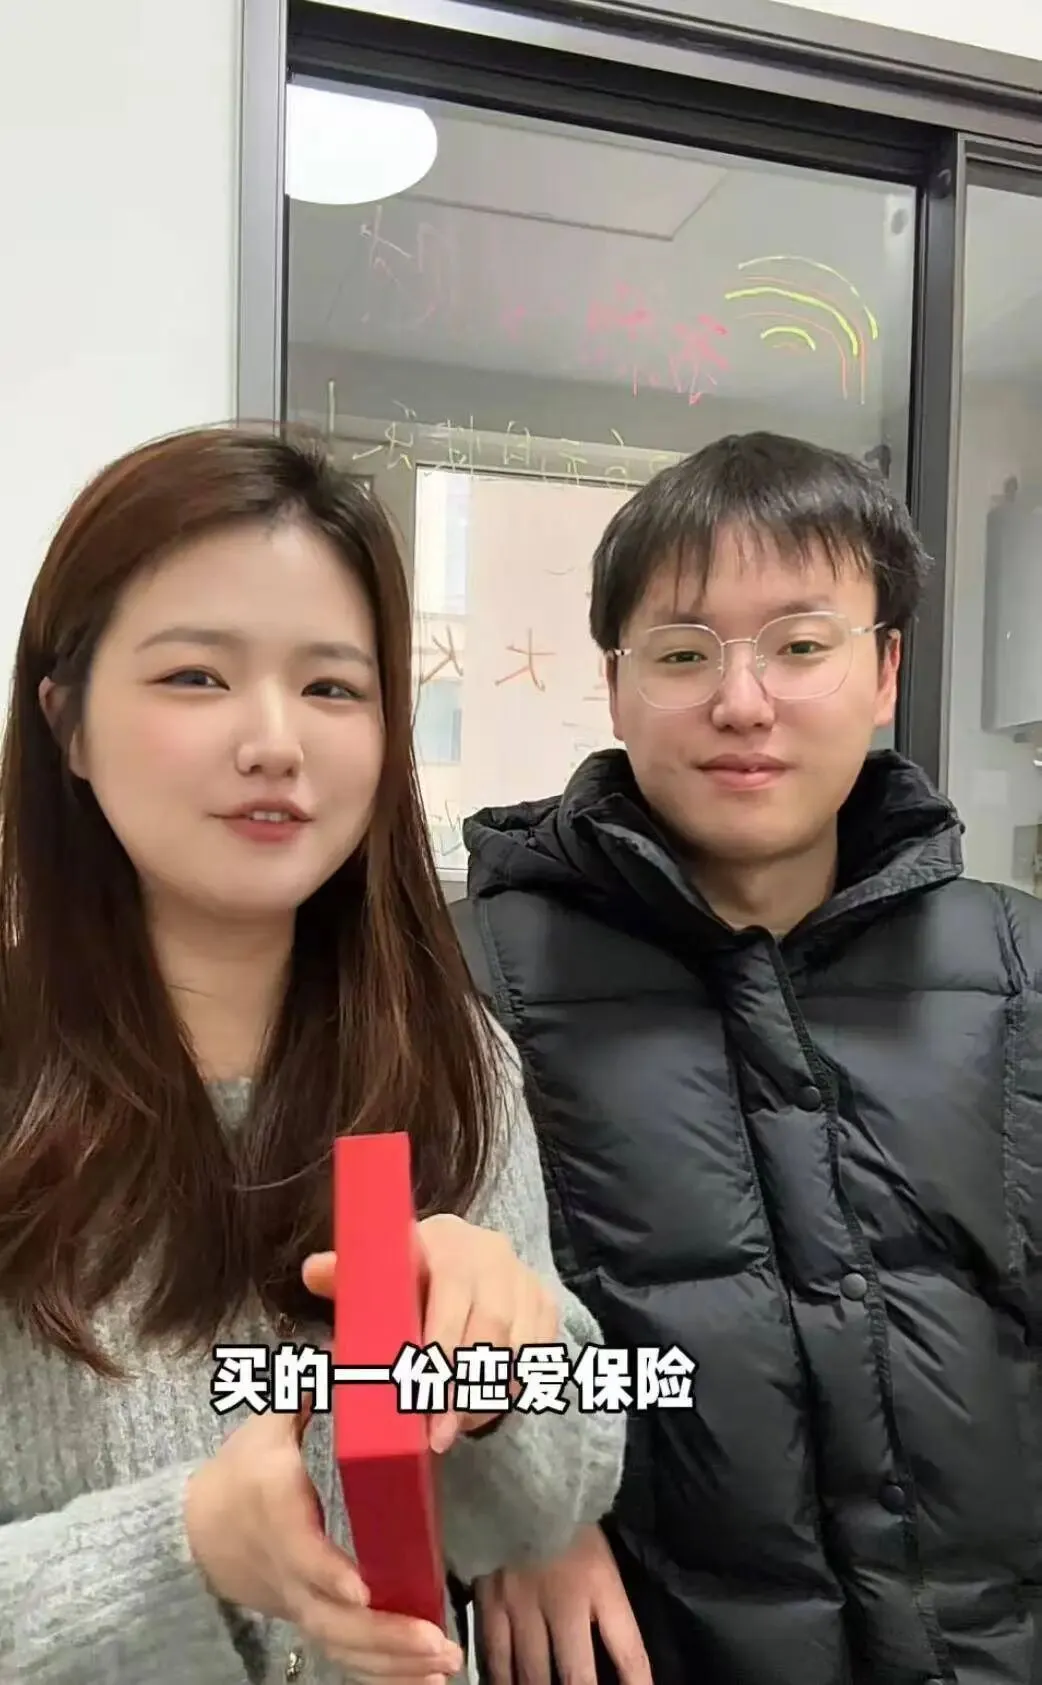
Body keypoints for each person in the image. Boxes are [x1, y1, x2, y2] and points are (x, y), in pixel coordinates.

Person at [0, 425, 625, 1683]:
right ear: (67, 723)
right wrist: (180, 1549)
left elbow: (531, 1513)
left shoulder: (451, 1056)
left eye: (333, 687)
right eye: (195, 676)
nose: (275, 741)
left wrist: (512, 1364)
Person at [456, 431, 1042, 1685]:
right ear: (615, 685)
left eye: (800, 644)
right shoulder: (466, 982)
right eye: (683, 653)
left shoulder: (1018, 965)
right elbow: (380, 1341)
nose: (742, 701)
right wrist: (509, 1498)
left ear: (884, 669)